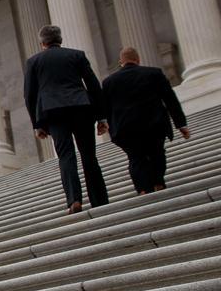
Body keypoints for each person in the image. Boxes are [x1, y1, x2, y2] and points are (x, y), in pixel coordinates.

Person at [24, 24, 109, 214]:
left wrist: (37, 124)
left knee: (65, 156)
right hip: (81, 107)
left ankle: (74, 200)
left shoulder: (34, 62)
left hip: (53, 112)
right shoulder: (76, 55)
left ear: (42, 43)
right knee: (89, 155)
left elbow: (29, 96)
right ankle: (99, 199)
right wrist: (101, 116)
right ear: (60, 39)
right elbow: (93, 85)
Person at [102, 47, 190, 195]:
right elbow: (170, 99)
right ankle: (158, 182)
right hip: (154, 124)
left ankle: (142, 188)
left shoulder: (108, 82)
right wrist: (180, 124)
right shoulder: (154, 73)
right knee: (157, 153)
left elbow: (106, 108)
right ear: (138, 59)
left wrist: (109, 128)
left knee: (135, 158)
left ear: (121, 62)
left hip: (125, 128)